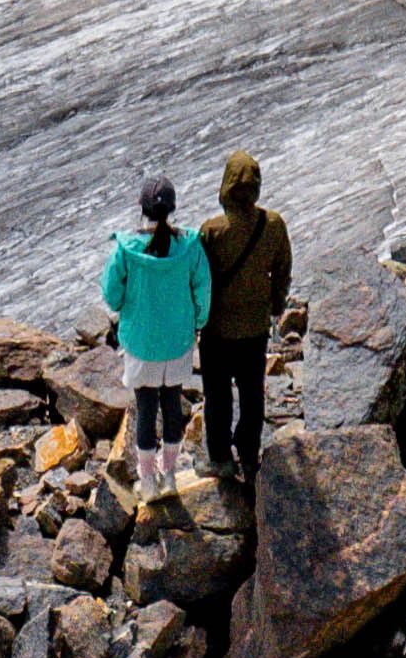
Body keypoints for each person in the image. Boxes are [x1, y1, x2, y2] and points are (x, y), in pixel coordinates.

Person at [99, 175, 210, 491]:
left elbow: (110, 291)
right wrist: (197, 322)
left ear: (142, 209)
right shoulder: (189, 245)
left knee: (146, 409)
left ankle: (148, 480)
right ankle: (171, 474)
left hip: (141, 343)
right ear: (172, 208)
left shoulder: (127, 248)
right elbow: (202, 290)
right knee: (172, 406)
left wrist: (126, 307)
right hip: (177, 341)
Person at [198, 150, 293, 489]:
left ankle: (221, 459)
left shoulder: (211, 231)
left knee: (218, 397)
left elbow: (199, 279)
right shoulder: (273, 225)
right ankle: (249, 454)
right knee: (253, 395)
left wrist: (198, 317)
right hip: (254, 329)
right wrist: (276, 303)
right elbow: (283, 269)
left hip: (217, 332)